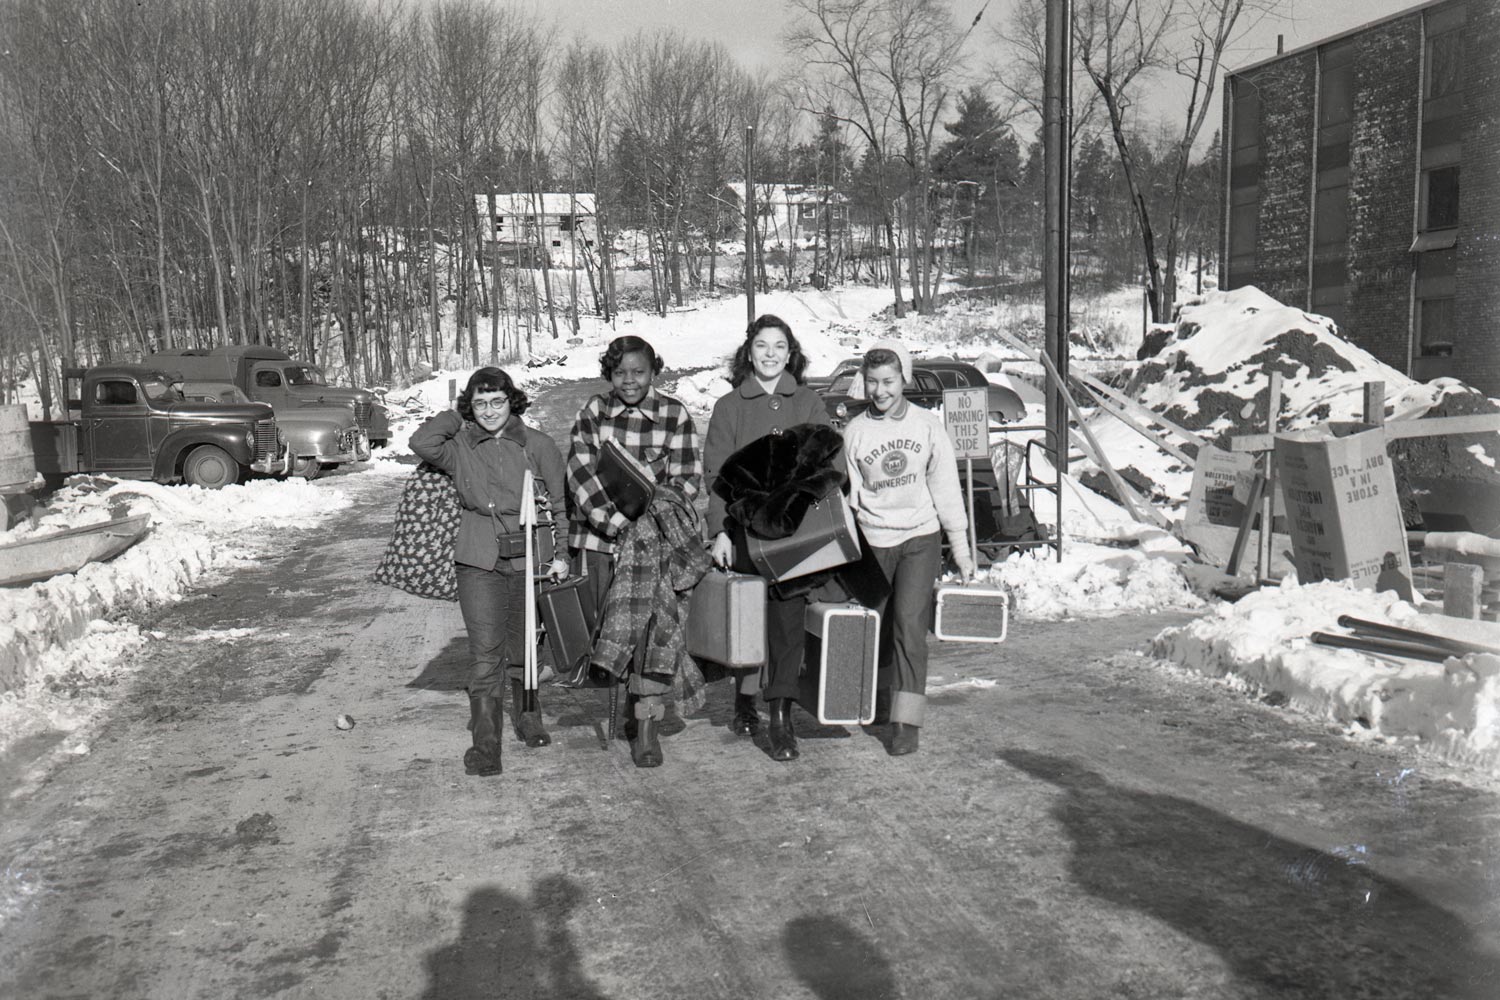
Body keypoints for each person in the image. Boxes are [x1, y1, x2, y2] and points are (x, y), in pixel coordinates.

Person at [410, 367, 569, 778]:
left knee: (524, 650)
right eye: (479, 403)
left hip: (530, 559)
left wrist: (563, 554)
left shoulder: (538, 445)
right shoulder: (460, 445)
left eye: (497, 401)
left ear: (511, 400)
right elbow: (420, 441)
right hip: (478, 560)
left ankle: (528, 717)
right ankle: (486, 744)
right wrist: (454, 414)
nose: (489, 411)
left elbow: (561, 505)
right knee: (485, 654)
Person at [566, 336, 704, 767]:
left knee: (653, 630)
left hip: (654, 545)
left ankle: (647, 725)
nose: (630, 380)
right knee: (610, 624)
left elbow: (685, 482)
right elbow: (580, 474)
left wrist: (647, 521)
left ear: (653, 372)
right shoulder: (594, 413)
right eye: (620, 372)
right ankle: (627, 703)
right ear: (609, 373)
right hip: (602, 540)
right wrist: (615, 522)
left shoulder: (674, 414)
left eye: (639, 372)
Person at [704, 314, 834, 761]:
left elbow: (825, 461)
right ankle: (744, 697)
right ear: (749, 352)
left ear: (791, 351)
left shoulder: (809, 401)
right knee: (747, 618)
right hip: (744, 531)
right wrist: (719, 531)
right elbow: (715, 476)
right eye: (762, 345)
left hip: (793, 534)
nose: (771, 354)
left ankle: (780, 717)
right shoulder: (730, 406)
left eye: (779, 345)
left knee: (786, 622)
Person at [842, 345, 975, 756]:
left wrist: (962, 548)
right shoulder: (855, 431)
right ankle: (880, 702)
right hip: (875, 540)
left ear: (904, 380)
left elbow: (947, 490)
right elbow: (849, 500)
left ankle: (906, 721)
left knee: (910, 628)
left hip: (920, 537)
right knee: (876, 627)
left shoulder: (927, 427)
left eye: (888, 381)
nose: (880, 391)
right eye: (873, 382)